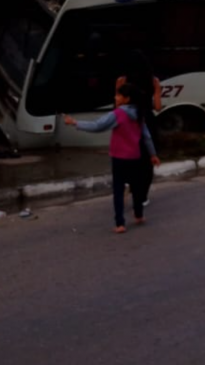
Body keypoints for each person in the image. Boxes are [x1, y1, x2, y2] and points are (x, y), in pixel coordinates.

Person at [64, 82, 160, 233]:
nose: (115, 97)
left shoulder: (118, 114)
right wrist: (153, 155)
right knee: (136, 187)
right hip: (135, 156)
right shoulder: (139, 113)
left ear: (126, 99)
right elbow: (146, 137)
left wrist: (75, 122)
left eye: (118, 95)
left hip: (119, 157)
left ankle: (120, 223)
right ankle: (139, 215)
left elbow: (97, 126)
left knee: (118, 190)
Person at [116, 50, 162, 207]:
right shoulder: (153, 81)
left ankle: (130, 183)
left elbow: (118, 105)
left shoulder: (122, 81)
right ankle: (142, 196)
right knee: (147, 160)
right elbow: (157, 107)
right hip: (147, 119)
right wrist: (155, 93)